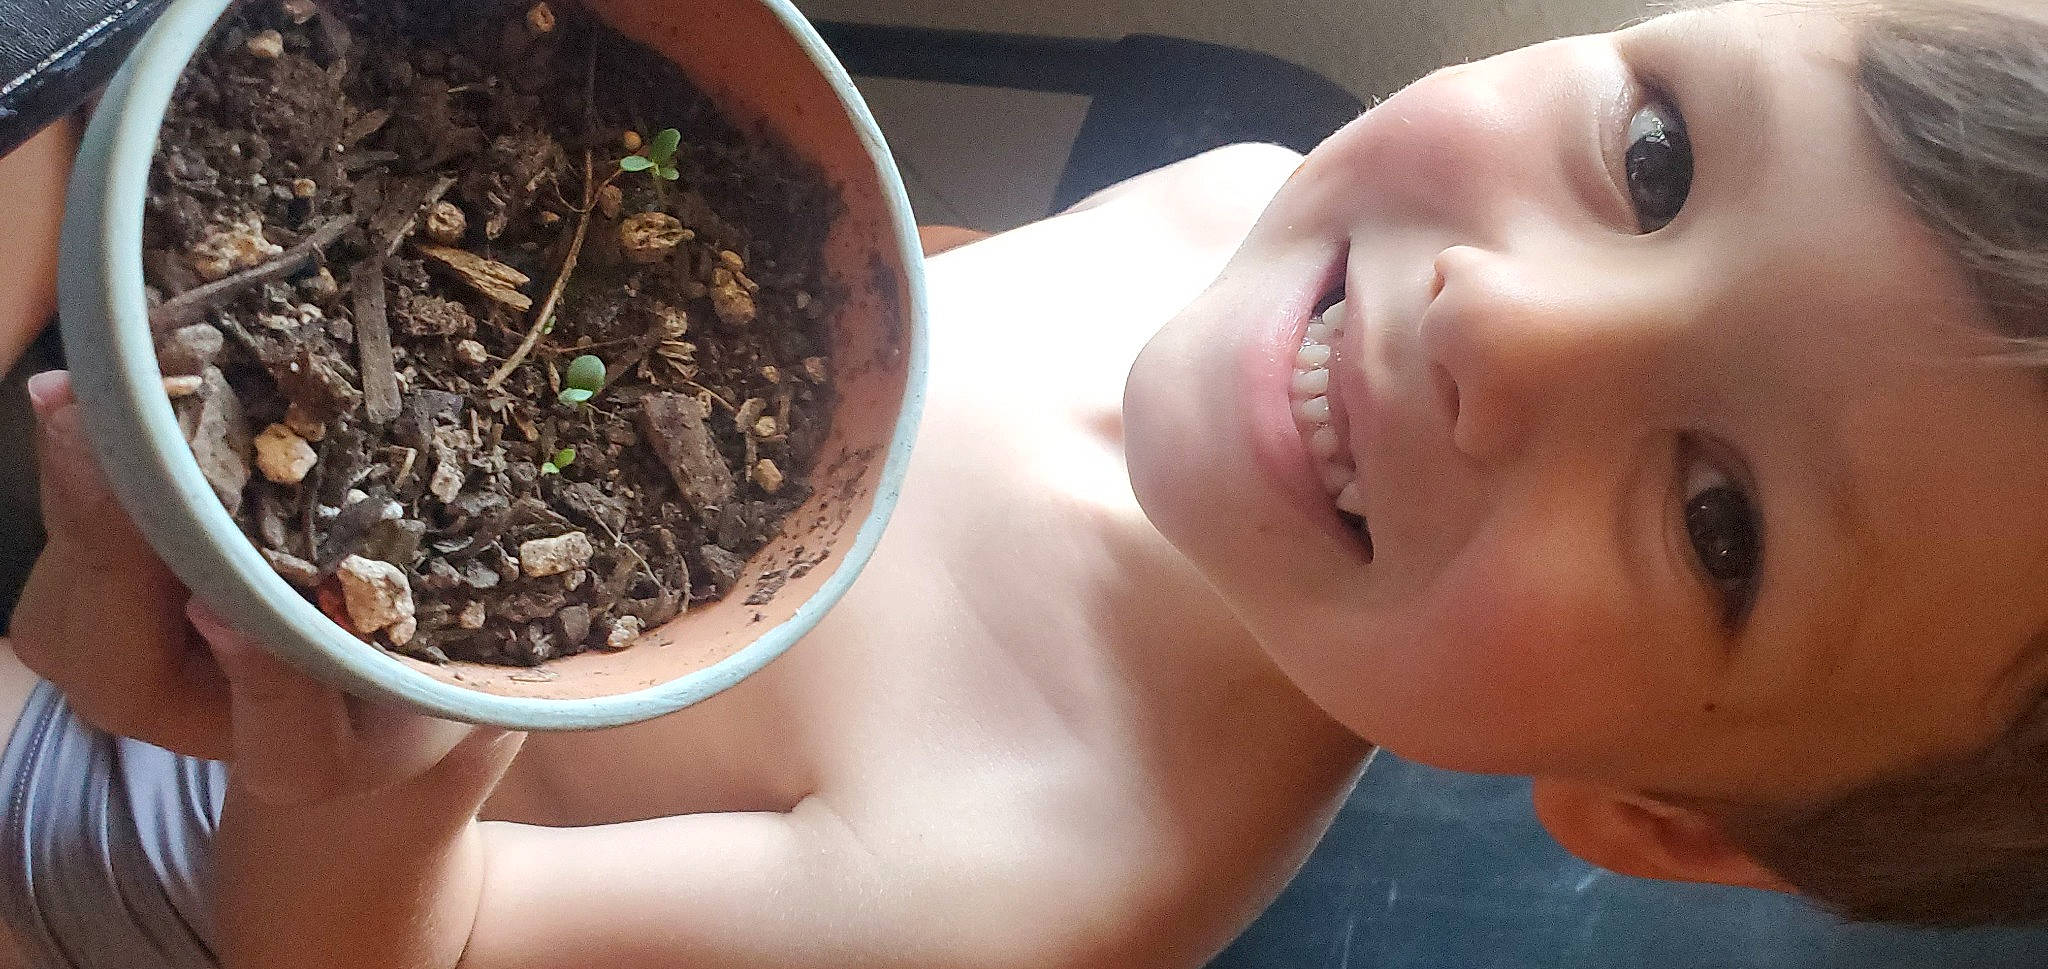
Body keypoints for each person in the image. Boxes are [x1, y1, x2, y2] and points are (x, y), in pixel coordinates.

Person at [7, 0, 2048, 966]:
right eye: (1662, 162)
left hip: (183, 844)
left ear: (1654, 819)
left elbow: (398, 961)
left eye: (1719, 522)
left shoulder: (1043, 871)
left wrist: (372, 755)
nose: (1507, 328)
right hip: (224, 406)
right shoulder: (1248, 208)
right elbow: (863, 316)